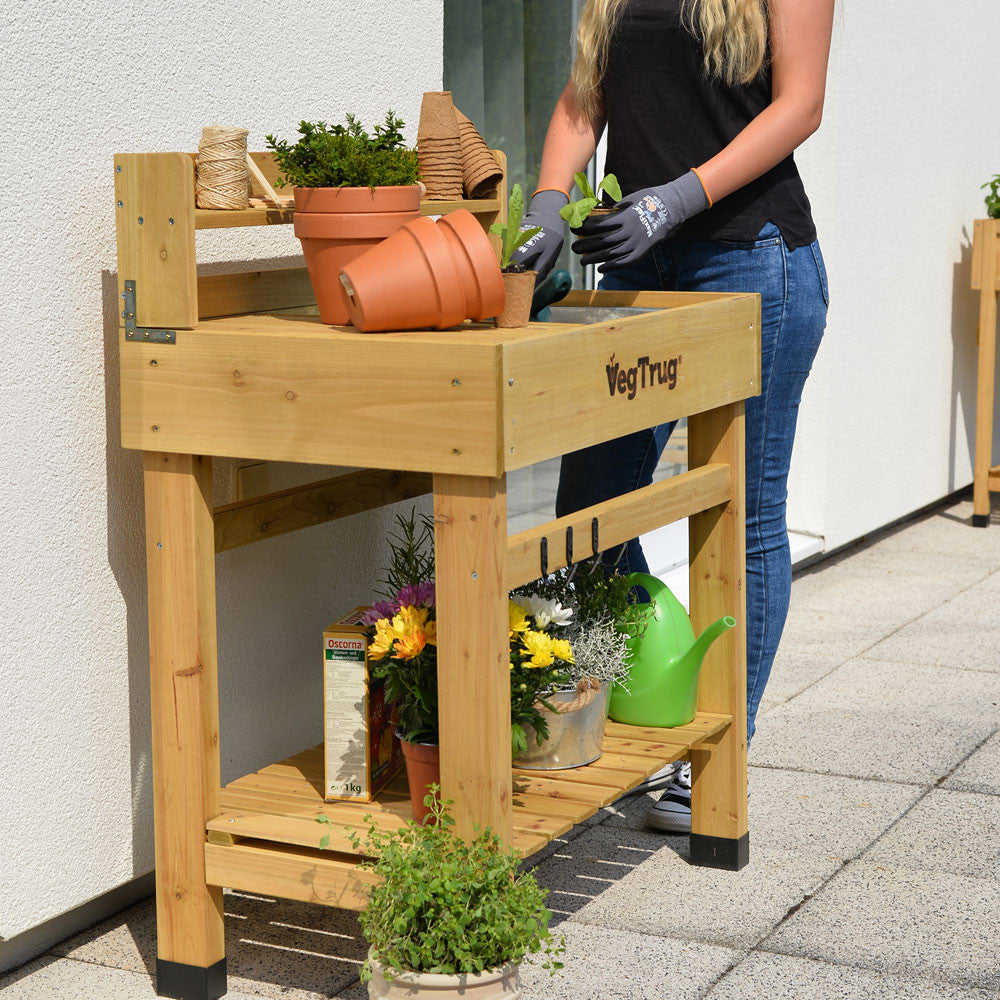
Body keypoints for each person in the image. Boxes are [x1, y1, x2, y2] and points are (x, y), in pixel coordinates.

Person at [513, 0, 835, 833]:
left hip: (754, 257)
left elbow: (799, 105)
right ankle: (631, 703)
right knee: (592, 504)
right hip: (640, 269)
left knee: (745, 509)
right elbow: (584, 102)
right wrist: (550, 202)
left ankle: (719, 752)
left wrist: (675, 199)